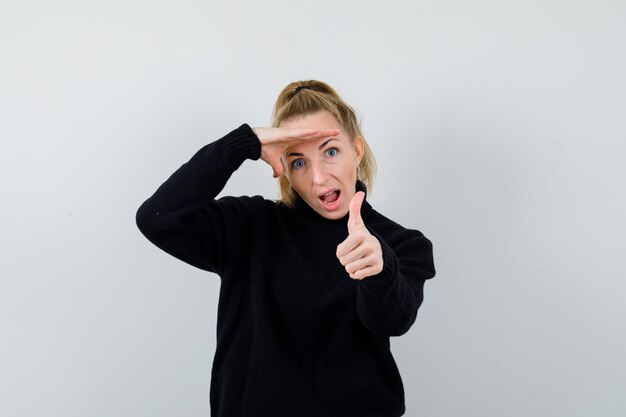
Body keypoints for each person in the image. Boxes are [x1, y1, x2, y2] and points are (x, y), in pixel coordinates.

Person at [135, 80, 436, 417]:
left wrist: (379, 269)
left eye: (330, 151)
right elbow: (157, 219)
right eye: (298, 162)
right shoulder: (250, 226)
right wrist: (242, 144)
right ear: (285, 171)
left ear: (358, 150)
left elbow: (392, 320)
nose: (319, 177)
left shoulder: (400, 243)